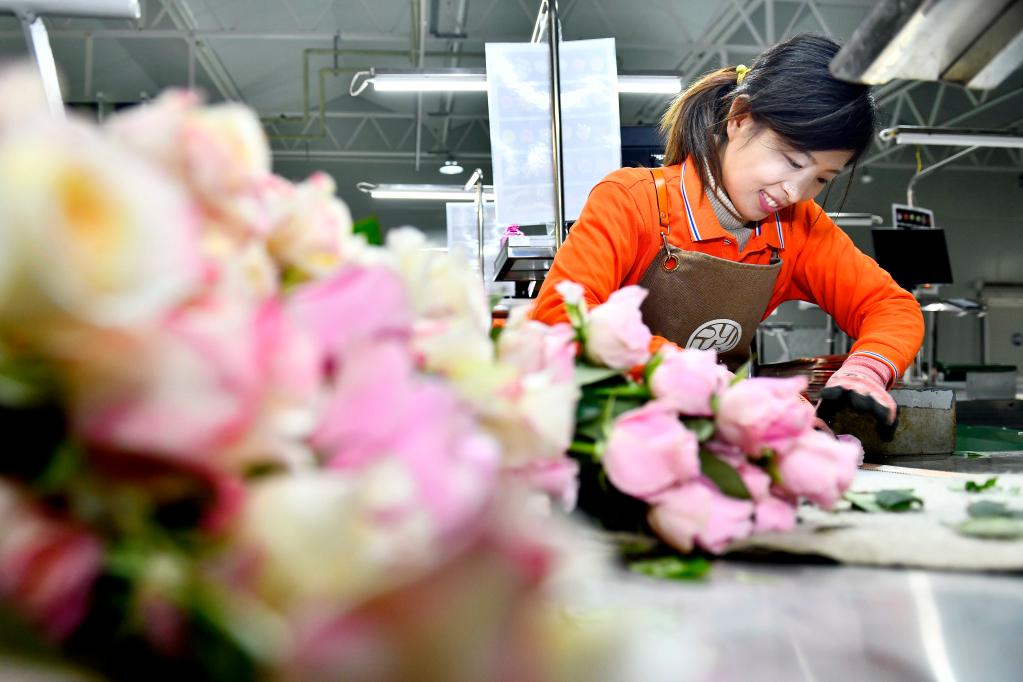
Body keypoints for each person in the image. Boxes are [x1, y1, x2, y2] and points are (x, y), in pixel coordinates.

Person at [530, 34, 924, 431]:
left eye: (821, 178)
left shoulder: (798, 228)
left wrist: (866, 369)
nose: (795, 191)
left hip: (711, 432)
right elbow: (563, 317)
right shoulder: (632, 200)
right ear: (739, 118)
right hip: (607, 427)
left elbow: (890, 306)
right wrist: (715, 384)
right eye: (792, 161)